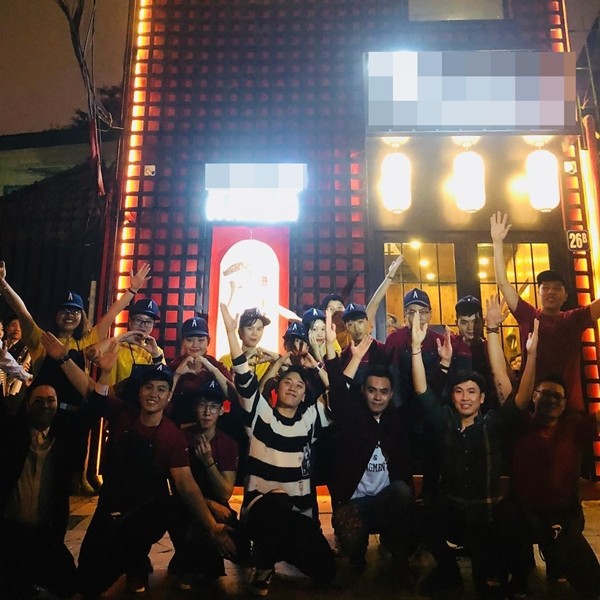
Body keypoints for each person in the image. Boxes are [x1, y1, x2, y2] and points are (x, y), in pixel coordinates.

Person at [51, 340, 235, 598]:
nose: (153, 394)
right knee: (88, 576)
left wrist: (211, 525)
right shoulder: (123, 413)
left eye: (161, 389)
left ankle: (138, 564)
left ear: (169, 397)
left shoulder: (172, 436)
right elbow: (89, 390)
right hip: (109, 504)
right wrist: (64, 359)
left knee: (129, 544)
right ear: (139, 392)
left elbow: (186, 484)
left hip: (144, 512)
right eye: (148, 387)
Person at [411, 298, 538, 599]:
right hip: (454, 514)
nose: (465, 398)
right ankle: (448, 572)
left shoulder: (493, 424)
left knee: (488, 587)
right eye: (459, 392)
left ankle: (505, 573)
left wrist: (530, 355)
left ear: (482, 398)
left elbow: (521, 398)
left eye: (471, 392)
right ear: (452, 396)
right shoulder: (445, 420)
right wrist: (415, 348)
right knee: (421, 514)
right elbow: (421, 390)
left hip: (486, 520)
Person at [0, 260, 152, 493]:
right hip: (42, 415)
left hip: (74, 415)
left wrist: (133, 289)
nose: (69, 315)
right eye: (64, 310)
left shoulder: (88, 340)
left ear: (82, 315)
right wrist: (3, 285)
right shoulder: (42, 338)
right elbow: (23, 312)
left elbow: (112, 313)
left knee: (66, 474)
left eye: (74, 311)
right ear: (56, 314)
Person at [220, 302, 335, 596]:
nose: (293, 387)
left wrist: (317, 363)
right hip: (262, 513)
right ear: (276, 387)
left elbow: (336, 395)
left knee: (328, 571)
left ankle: (271, 552)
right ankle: (263, 566)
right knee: (278, 503)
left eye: (299, 385)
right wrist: (232, 334)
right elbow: (244, 378)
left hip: (297, 519)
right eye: (287, 382)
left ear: (304, 396)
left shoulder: (310, 419)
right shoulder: (260, 416)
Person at [324, 312, 414, 584]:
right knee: (350, 537)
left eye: (384, 392)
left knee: (402, 492)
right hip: (354, 504)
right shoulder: (353, 417)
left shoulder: (395, 422)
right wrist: (331, 349)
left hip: (385, 502)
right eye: (372, 390)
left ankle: (399, 560)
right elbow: (338, 393)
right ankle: (356, 551)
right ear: (363, 391)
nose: (377, 396)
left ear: (391, 394)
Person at [491, 211, 600, 413]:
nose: (550, 291)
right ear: (539, 292)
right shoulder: (528, 315)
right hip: (531, 404)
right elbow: (503, 283)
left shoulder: (574, 319)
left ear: (565, 295)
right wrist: (497, 243)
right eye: (545, 287)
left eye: (557, 288)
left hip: (567, 406)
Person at [502, 375, 600, 599]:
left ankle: (556, 561)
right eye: (545, 394)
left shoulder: (574, 428)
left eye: (557, 396)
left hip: (562, 516)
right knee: (505, 520)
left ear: (565, 404)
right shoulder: (519, 425)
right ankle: (520, 576)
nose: (551, 400)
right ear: (533, 397)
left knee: (594, 586)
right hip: (524, 513)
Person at [0, 383, 79, 599]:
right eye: (38, 400)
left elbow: (91, 413)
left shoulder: (62, 440)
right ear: (27, 404)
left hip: (46, 534)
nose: (45, 406)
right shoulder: (11, 436)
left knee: (70, 586)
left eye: (50, 400)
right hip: (11, 533)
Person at [168, 379, 241, 591]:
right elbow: (178, 487)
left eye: (213, 406)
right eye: (202, 405)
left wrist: (208, 461)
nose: (207, 412)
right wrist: (208, 503)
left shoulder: (228, 443)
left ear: (221, 411)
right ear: (195, 408)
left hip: (217, 504)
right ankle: (188, 562)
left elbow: (225, 493)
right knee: (185, 517)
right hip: (185, 505)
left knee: (240, 548)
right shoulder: (181, 437)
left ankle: (192, 561)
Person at [168, 316, 232, 426]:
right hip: (177, 426)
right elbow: (162, 399)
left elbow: (231, 396)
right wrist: (177, 375)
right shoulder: (174, 366)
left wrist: (213, 370)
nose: (195, 345)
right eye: (189, 340)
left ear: (208, 341)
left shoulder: (216, 365)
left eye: (201, 340)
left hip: (210, 427)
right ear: (182, 341)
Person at [219, 307, 279, 387]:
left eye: (259, 329)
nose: (255, 333)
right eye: (250, 328)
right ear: (240, 332)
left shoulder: (267, 362)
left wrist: (276, 359)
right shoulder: (225, 361)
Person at [339, 302, 388, 377]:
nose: (356, 328)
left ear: (367, 322)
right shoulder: (344, 355)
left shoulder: (382, 350)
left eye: (360, 322)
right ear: (346, 327)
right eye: (351, 324)